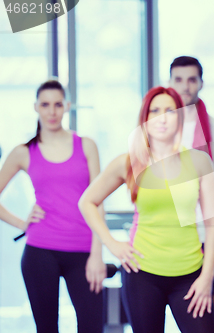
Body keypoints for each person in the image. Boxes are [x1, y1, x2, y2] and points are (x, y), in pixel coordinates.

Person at [78, 86, 214, 333]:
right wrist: (112, 244)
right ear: (145, 118)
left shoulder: (200, 161)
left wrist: (207, 278)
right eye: (155, 110)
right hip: (142, 273)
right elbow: (87, 202)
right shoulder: (128, 161)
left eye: (170, 110)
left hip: (190, 273)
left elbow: (213, 224)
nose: (162, 117)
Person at [0, 80, 106, 333]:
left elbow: (99, 201)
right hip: (40, 251)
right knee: (47, 329)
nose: (51, 111)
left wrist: (97, 253)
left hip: (83, 250)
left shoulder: (87, 145)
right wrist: (22, 223)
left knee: (92, 327)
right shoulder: (24, 152)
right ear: (36, 107)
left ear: (67, 106)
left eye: (58, 104)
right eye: (45, 105)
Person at [169, 56, 214, 307]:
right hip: (159, 236)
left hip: (199, 239)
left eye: (191, 80)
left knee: (202, 316)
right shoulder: (156, 127)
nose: (185, 86)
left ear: (201, 83)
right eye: (178, 79)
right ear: (169, 82)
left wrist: (205, 213)